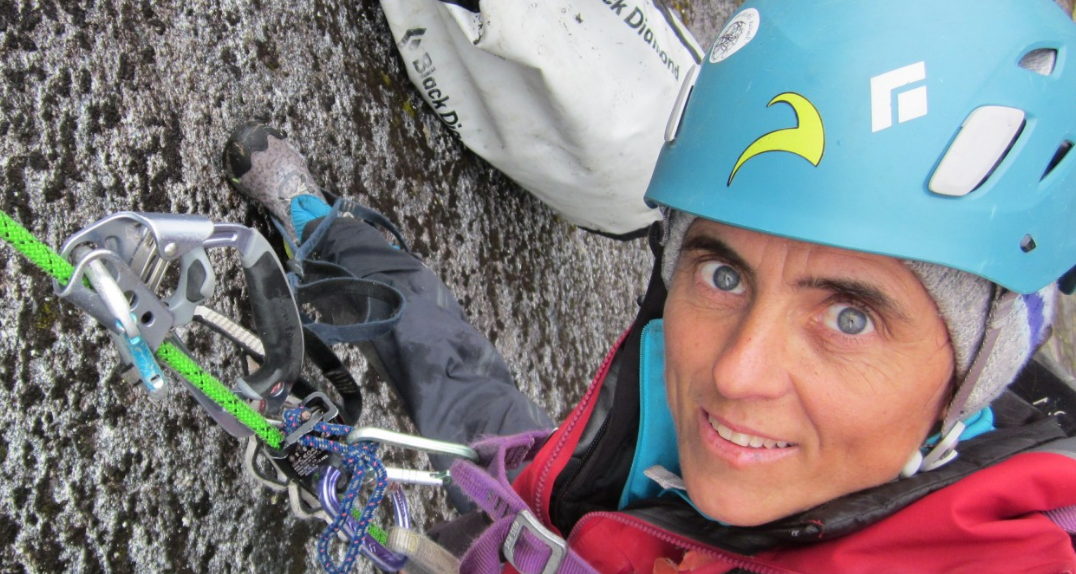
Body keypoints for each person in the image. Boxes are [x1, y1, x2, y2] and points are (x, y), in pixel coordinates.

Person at [223, 0, 1076, 571]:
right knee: (459, 381)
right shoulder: (729, 410)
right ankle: (324, 229)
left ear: (976, 374)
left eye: (850, 315)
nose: (737, 373)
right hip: (557, 504)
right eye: (722, 270)